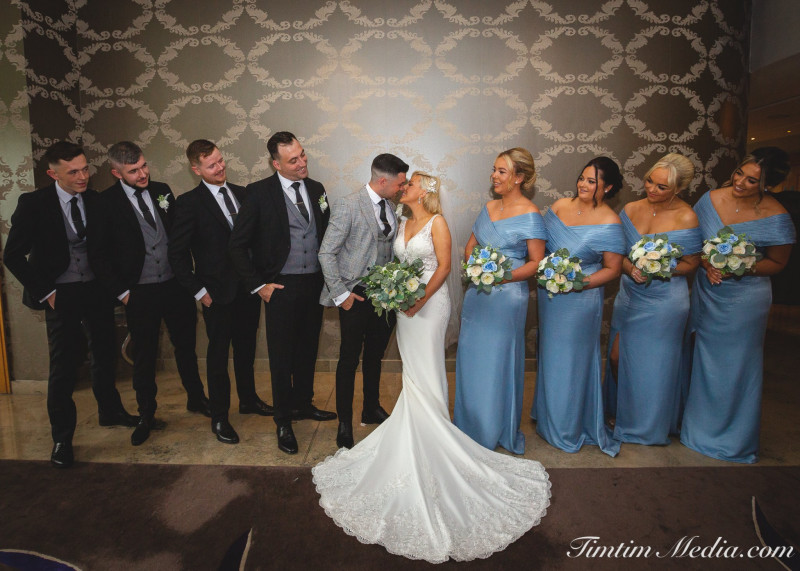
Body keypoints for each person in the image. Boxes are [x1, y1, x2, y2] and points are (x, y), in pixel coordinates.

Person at [312, 173, 550, 563]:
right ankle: (414, 430)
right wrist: (395, 291)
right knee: (412, 373)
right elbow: (392, 261)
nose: (403, 186)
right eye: (402, 183)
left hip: (429, 305)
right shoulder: (401, 220)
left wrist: (419, 300)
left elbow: (443, 267)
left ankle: (436, 438)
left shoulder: (438, 223)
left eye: (411, 184)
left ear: (426, 192)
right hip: (404, 307)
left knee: (427, 370)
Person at [3, 141, 137, 468]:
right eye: (73, 172)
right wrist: (46, 292)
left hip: (96, 289)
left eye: (85, 169)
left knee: (105, 353)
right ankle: (62, 437)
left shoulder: (96, 200)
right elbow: (12, 255)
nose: (82, 177)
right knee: (63, 365)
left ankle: (110, 411)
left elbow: (110, 248)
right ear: (54, 174)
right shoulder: (34, 204)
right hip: (59, 293)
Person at [681, 147, 795, 463]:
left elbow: (778, 263)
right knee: (702, 358)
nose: (740, 182)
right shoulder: (710, 200)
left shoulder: (777, 216)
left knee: (736, 365)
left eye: (752, 180)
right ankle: (696, 429)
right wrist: (708, 263)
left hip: (746, 300)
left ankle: (731, 437)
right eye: (739, 173)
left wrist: (742, 266)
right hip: (708, 292)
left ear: (767, 185)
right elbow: (694, 244)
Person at [93, 141, 209, 446]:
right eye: (133, 170)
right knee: (144, 355)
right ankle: (146, 413)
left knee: (186, 346)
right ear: (116, 173)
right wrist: (123, 293)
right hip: (139, 291)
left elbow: (178, 236)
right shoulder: (105, 203)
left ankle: (196, 398)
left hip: (175, 286)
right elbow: (99, 255)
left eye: (144, 166)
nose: (143, 174)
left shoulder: (162, 190)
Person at [229, 132, 335, 455]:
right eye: (293, 160)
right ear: (276, 164)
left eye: (302, 155)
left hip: (313, 283)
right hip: (280, 287)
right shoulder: (259, 193)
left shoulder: (316, 189)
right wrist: (259, 285)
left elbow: (327, 235)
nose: (302, 163)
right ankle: (283, 420)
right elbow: (237, 245)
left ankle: (303, 403)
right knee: (281, 355)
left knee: (307, 348)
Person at [168, 139, 272, 446]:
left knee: (246, 349)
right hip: (215, 293)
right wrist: (198, 290)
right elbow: (177, 254)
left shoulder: (244, 194)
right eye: (211, 165)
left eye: (220, 160)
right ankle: (219, 416)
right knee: (218, 356)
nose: (220, 167)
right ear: (196, 169)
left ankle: (248, 399)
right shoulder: (189, 203)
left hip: (247, 290)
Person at [604, 153, 702, 445]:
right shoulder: (631, 209)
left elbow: (691, 263)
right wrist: (631, 268)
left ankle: (647, 423)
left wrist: (660, 268)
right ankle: (627, 411)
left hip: (665, 301)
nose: (651, 189)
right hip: (629, 295)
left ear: (679, 189)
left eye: (662, 187)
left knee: (654, 366)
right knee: (617, 357)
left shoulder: (686, 216)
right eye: (649, 181)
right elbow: (618, 254)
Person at [454, 148, 546, 454]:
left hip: (507, 298)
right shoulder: (488, 207)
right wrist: (477, 268)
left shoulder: (531, 214)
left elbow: (536, 263)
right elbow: (470, 247)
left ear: (519, 178)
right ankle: (469, 426)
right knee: (472, 359)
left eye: (501, 171)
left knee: (496, 362)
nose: (494, 176)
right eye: (494, 169)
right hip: (477, 296)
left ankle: (494, 429)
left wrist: (502, 277)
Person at [532, 156, 625, 457]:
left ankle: (568, 425)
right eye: (582, 178)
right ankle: (548, 417)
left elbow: (613, 269)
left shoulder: (610, 221)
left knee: (572, 361)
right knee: (551, 355)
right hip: (551, 298)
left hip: (582, 300)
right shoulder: (560, 206)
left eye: (592, 181)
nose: (583, 184)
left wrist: (579, 283)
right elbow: (541, 249)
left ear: (607, 188)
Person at [318, 153, 409, 449]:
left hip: (385, 297)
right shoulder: (348, 205)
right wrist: (341, 295)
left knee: (374, 355)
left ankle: (371, 407)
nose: (402, 189)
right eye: (399, 184)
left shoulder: (391, 206)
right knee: (349, 359)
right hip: (355, 295)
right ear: (382, 181)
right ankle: (345, 423)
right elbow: (326, 252)